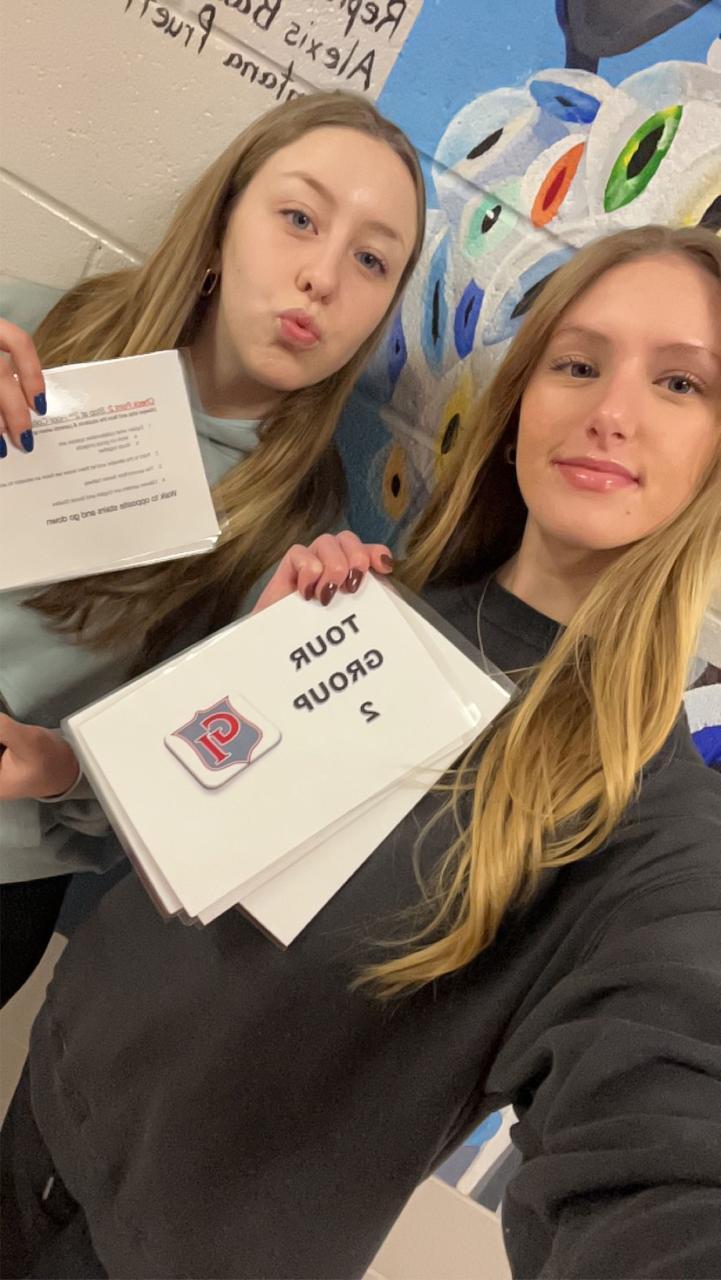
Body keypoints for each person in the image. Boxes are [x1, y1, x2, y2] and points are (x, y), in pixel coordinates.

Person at [2, 224, 721, 1280]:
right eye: (576, 363)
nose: (610, 411)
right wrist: (247, 665)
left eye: (679, 383)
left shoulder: (653, 830)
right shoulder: (374, 603)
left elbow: (664, 1143)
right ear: (520, 402)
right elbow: (177, 835)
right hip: (37, 1120)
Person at [0, 90, 425, 1005]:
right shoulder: (27, 332)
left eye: (371, 260)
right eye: (299, 218)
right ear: (223, 221)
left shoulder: (303, 546)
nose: (321, 277)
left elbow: (181, 789)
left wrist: (57, 766)